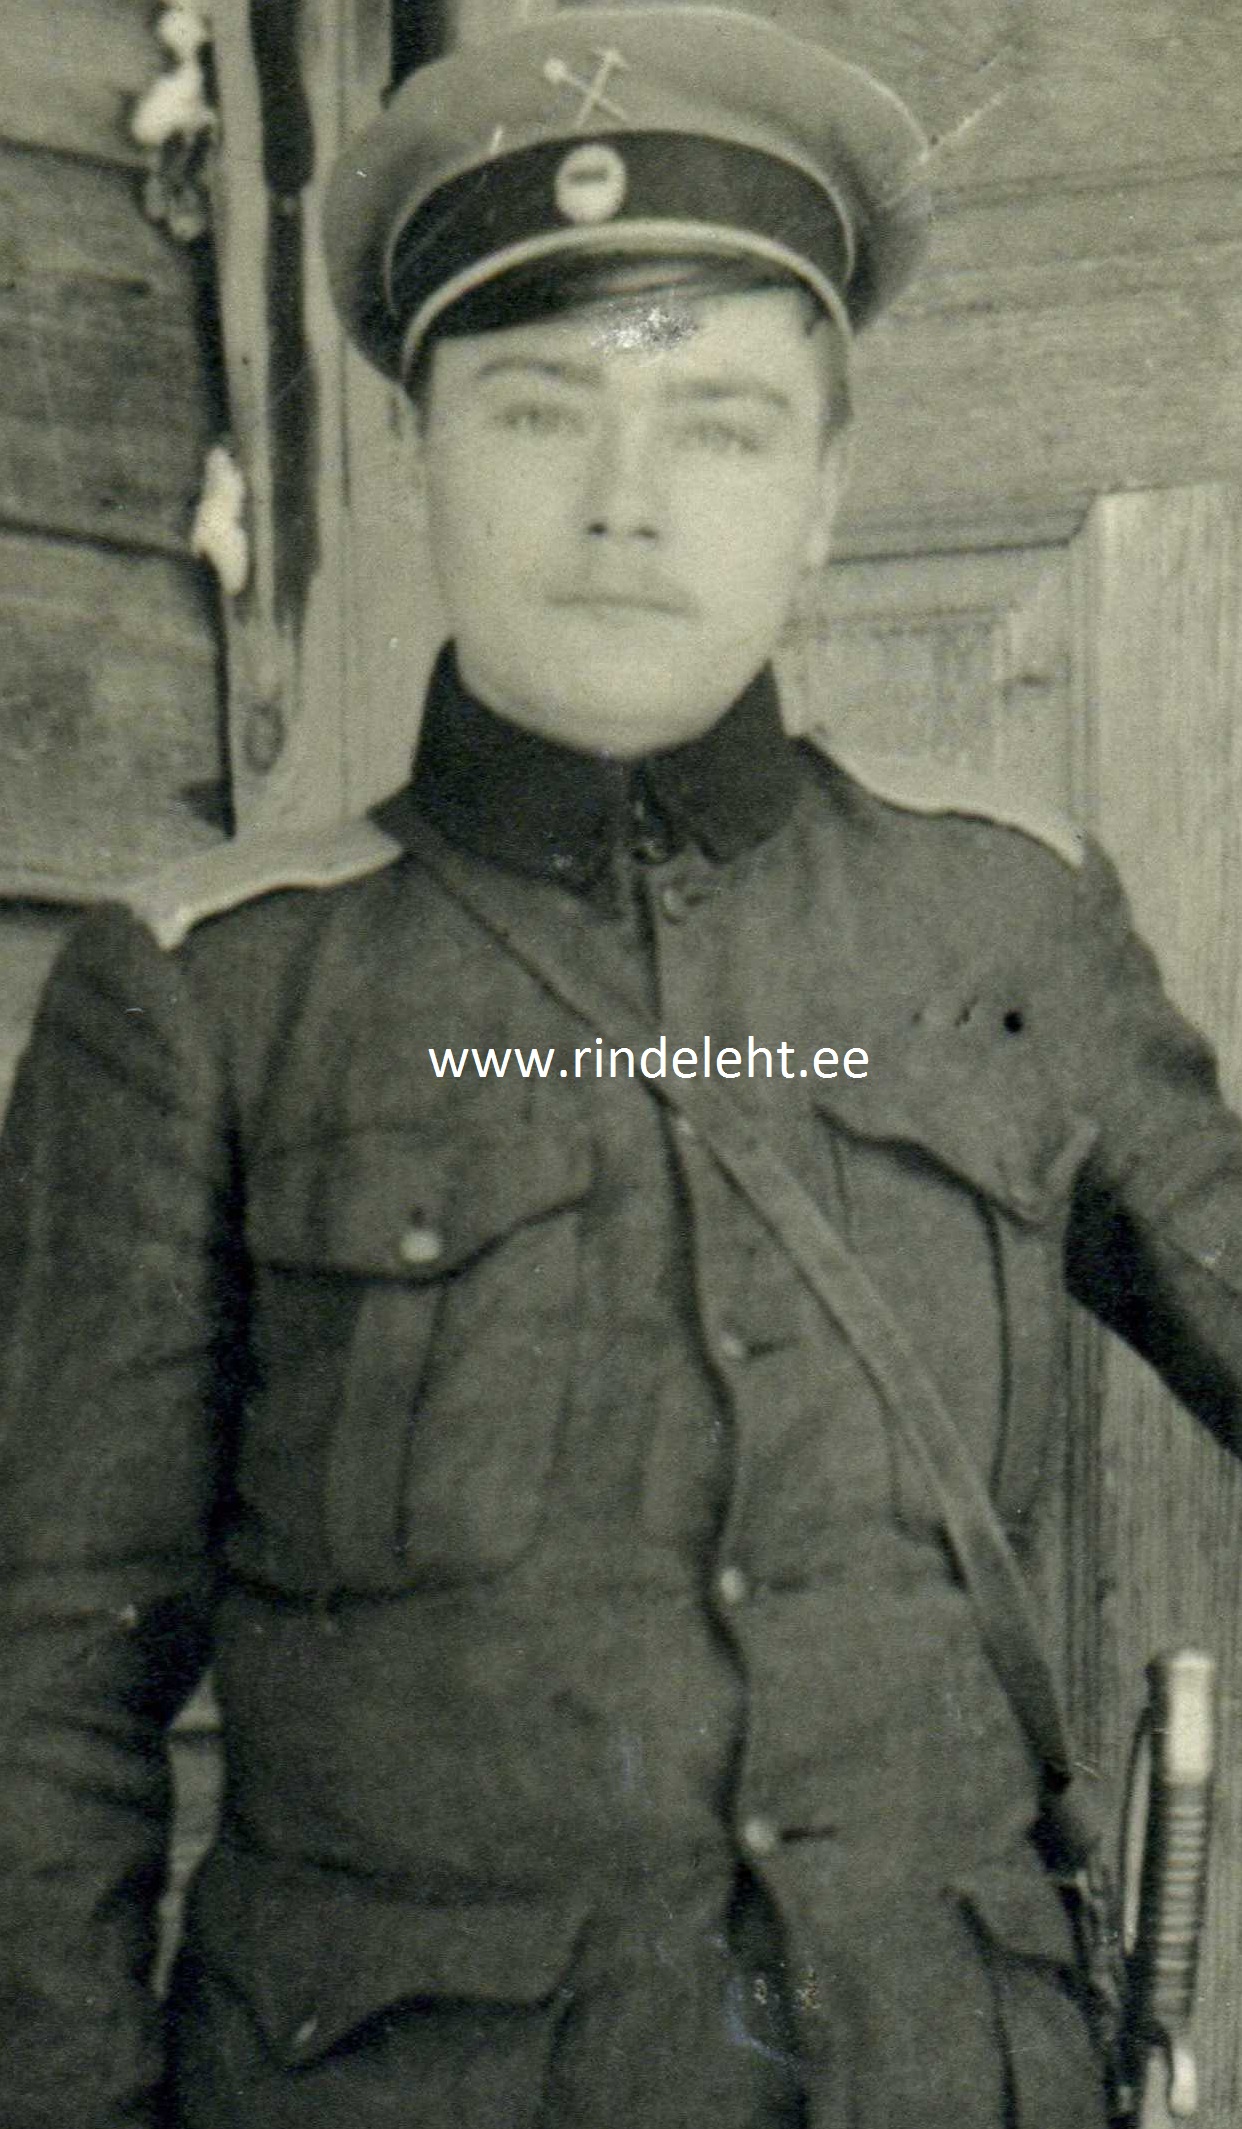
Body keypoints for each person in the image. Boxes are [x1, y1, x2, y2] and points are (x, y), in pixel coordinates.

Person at [1, 9, 1240, 2127]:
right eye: (538, 411)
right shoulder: (207, 997)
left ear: (824, 497)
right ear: (420, 458)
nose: (625, 504)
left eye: (721, 426)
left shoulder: (1009, 924)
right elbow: (43, 1694)